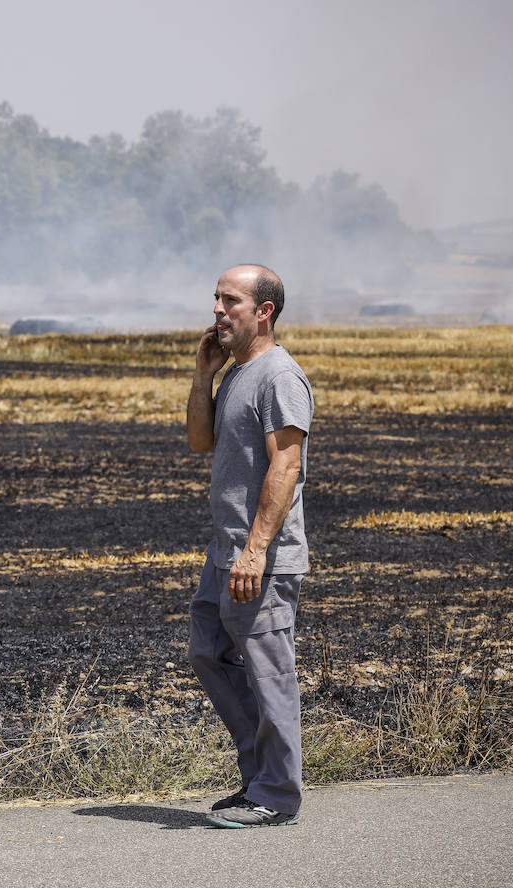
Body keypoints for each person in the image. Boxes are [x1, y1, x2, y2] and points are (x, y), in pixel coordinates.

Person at [185, 264, 313, 828]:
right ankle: (257, 777)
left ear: (264, 311)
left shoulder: (279, 377)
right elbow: (199, 441)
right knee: (207, 653)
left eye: (230, 300)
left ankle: (278, 795)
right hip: (224, 554)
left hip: (261, 557)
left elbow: (286, 465)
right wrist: (201, 376)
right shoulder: (238, 373)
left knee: (269, 672)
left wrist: (257, 550)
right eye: (215, 298)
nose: (217, 309)